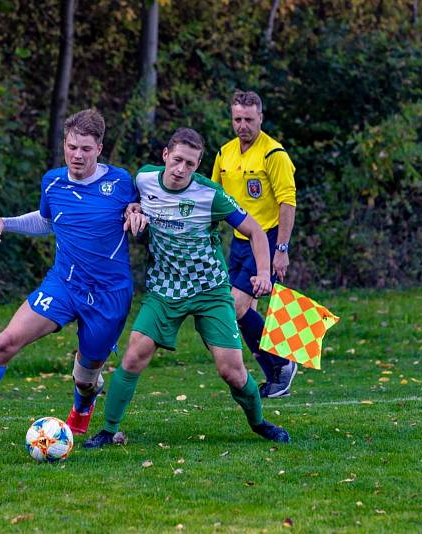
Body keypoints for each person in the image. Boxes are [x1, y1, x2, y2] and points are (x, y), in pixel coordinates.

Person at [0, 109, 148, 443]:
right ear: (64, 145)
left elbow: (141, 210)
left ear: (99, 147)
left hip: (109, 295)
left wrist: (137, 213)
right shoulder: (53, 181)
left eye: (85, 148)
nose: (77, 155)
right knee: (4, 342)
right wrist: (6, 222)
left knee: (85, 377)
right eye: (71, 147)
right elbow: (47, 220)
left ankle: (83, 407)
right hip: (64, 284)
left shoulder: (122, 182)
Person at [83, 127, 290, 449]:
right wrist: (133, 209)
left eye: (190, 164)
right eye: (177, 160)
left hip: (209, 290)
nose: (181, 169)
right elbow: (129, 203)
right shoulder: (144, 180)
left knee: (231, 371)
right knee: (134, 355)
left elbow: (256, 231)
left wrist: (263, 272)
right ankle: (108, 431)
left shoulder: (210, 195)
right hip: (164, 290)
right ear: (165, 156)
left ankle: (260, 423)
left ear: (198, 165)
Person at [211, 90, 298, 398]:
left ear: (261, 117)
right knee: (240, 309)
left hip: (269, 237)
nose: (243, 125)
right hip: (238, 241)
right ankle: (276, 369)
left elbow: (288, 203)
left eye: (249, 119)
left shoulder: (274, 154)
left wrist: (281, 250)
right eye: (238, 119)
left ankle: (281, 364)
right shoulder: (225, 153)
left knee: (234, 307)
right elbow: (213, 198)